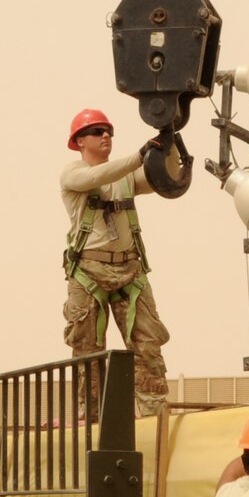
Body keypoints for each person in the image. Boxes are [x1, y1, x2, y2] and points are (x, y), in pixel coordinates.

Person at [60, 107, 178, 417]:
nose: (105, 136)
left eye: (109, 131)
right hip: (89, 273)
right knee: (88, 353)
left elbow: (166, 176)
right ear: (79, 141)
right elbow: (98, 175)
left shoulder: (126, 177)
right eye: (97, 132)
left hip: (130, 273)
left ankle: (153, 416)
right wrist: (140, 156)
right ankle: (92, 423)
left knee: (147, 345)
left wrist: (170, 139)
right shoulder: (73, 174)